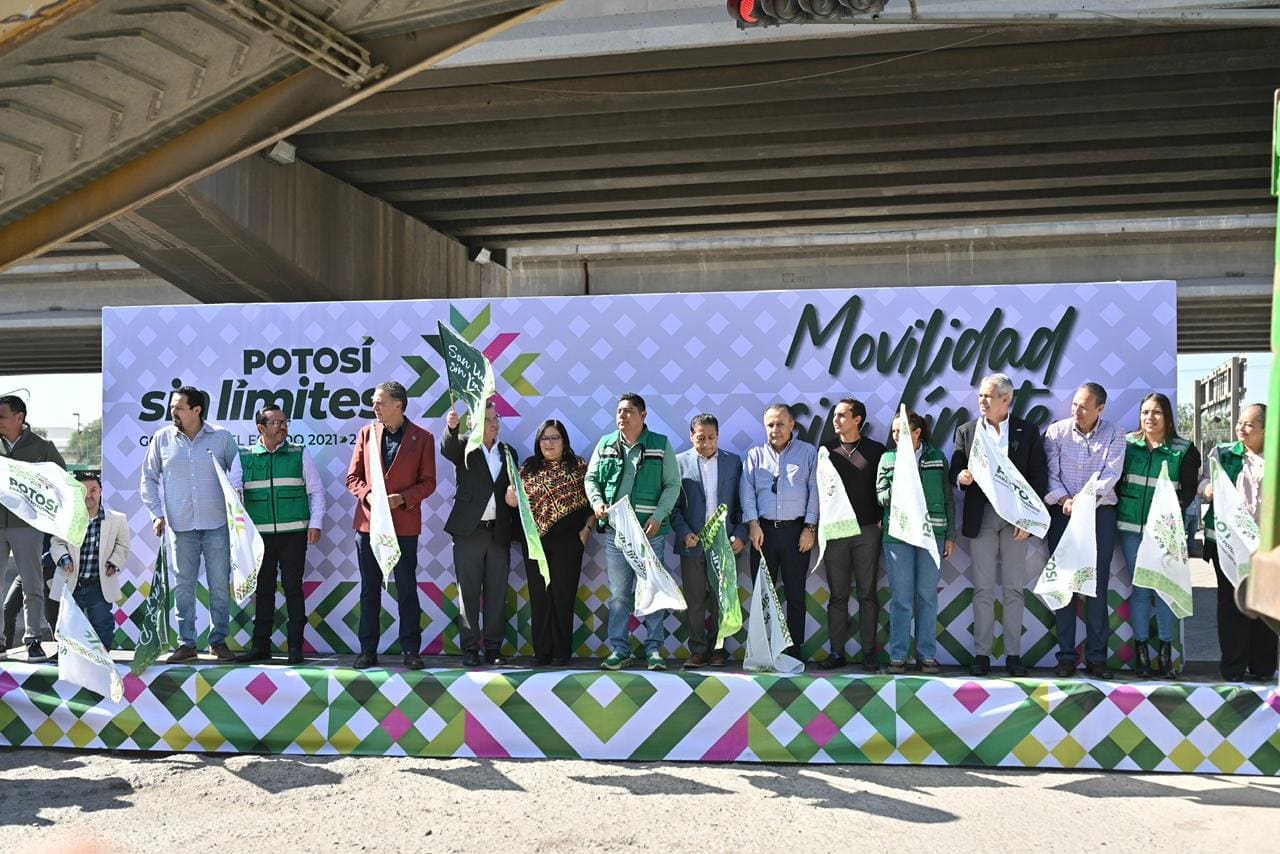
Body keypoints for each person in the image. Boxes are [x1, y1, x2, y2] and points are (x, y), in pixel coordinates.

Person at [950, 373, 1048, 677]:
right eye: (980, 395)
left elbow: (1038, 476)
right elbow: (955, 467)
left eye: (988, 396)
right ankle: (982, 654)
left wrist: (1029, 519)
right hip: (981, 518)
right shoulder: (967, 430)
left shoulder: (1027, 431)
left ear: (1006, 400)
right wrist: (961, 476)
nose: (982, 401)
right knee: (983, 588)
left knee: (1014, 589)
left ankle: (1013, 655)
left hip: (1016, 520)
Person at [140, 386, 240, 664]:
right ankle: (186, 644)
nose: (173, 411)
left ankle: (218, 641)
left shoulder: (221, 437)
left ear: (197, 410)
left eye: (179, 407)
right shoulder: (162, 439)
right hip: (180, 526)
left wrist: (236, 500)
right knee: (183, 586)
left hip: (217, 524)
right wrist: (156, 514)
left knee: (219, 585)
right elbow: (148, 478)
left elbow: (239, 470)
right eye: (172, 407)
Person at [585, 393, 680, 672]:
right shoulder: (605, 443)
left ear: (643, 415)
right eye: (619, 411)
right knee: (619, 594)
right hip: (617, 532)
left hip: (650, 533)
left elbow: (673, 485)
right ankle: (619, 649)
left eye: (628, 411)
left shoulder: (660, 444)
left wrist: (659, 516)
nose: (622, 416)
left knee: (652, 590)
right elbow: (591, 478)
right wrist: (597, 502)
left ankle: (654, 650)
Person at [345, 381, 437, 670]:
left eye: (380, 402)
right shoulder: (366, 433)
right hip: (369, 525)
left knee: (407, 589)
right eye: (374, 402)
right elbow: (352, 478)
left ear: (398, 405)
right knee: (369, 589)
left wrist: (403, 499)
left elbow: (428, 482)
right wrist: (368, 495)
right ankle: (367, 651)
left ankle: (411, 650)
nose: (375, 407)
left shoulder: (423, 438)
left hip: (404, 526)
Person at [1042, 382, 1127, 679]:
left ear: (1100, 409)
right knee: (1064, 584)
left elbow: (1111, 475)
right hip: (1063, 513)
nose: (1077, 410)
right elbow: (1050, 474)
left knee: (1096, 586)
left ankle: (1097, 658)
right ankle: (1066, 657)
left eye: (1084, 407)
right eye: (1075, 404)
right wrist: (1065, 500)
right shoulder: (1056, 432)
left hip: (1099, 513)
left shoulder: (1115, 433)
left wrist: (1084, 500)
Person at [1116, 392, 1200, 677]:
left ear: (1167, 417)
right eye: (1145, 412)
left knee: (1164, 590)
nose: (1149, 418)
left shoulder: (1184, 450)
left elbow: (1188, 492)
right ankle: (1141, 656)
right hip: (1131, 528)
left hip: (1165, 533)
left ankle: (1165, 655)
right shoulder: (1127, 444)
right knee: (1140, 590)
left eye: (1156, 412)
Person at [233, 406, 325, 665]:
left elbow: (316, 491)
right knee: (263, 591)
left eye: (285, 421)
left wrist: (315, 523)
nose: (283, 426)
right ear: (261, 428)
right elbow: (234, 493)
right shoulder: (244, 456)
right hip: (259, 538)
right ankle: (260, 647)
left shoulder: (299, 453)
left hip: (294, 534)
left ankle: (295, 648)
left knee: (293, 589)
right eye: (276, 422)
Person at [505, 419, 593, 667]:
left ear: (564, 441)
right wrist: (510, 498)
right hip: (536, 543)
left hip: (569, 543)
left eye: (555, 438)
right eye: (545, 438)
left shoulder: (578, 467)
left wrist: (587, 531)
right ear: (538, 442)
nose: (550, 443)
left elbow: (593, 501)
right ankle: (542, 652)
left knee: (563, 596)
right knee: (540, 597)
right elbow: (515, 504)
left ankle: (561, 653)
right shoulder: (528, 468)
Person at [1200, 403, 1277, 682]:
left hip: (1267, 546)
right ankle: (1233, 667)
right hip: (1229, 543)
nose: (1241, 428)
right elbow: (1203, 481)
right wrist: (1206, 489)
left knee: (1265, 604)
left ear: (1265, 430)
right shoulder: (1222, 453)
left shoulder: (1275, 457)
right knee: (1231, 604)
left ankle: (1263, 667)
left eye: (1249, 425)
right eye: (1240, 423)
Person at [876, 410, 955, 674]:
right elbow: (880, 495)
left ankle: (926, 655)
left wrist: (950, 536)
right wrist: (898, 489)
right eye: (894, 431)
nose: (896, 436)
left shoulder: (937, 457)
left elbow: (947, 497)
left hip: (932, 534)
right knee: (901, 597)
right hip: (898, 535)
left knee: (927, 596)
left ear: (917, 432)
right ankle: (898, 656)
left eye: (901, 431)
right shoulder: (888, 458)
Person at [741, 403, 819, 659]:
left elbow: (815, 491)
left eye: (781, 424)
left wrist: (809, 528)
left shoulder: (808, 453)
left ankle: (793, 652)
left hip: (796, 532)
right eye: (770, 425)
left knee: (795, 594)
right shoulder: (754, 455)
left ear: (792, 425)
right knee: (763, 594)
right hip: (763, 533)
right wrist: (753, 524)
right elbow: (747, 492)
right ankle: (764, 651)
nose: (775, 429)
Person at [443, 401, 515, 667]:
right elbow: (448, 448)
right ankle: (470, 649)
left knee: (497, 594)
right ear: (472, 423)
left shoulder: (508, 452)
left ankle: (494, 648)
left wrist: (512, 497)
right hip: (469, 532)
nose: (494, 424)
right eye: (487, 419)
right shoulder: (464, 446)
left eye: (496, 418)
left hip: (498, 532)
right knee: (469, 594)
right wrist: (452, 428)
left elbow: (513, 487)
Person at [670, 413, 745, 669]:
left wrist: (740, 534)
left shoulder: (733, 462)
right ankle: (698, 650)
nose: (706, 444)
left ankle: (718, 650)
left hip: (724, 544)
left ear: (718, 436)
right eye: (701, 438)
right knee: (694, 600)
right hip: (693, 543)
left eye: (711, 438)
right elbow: (673, 508)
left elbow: (742, 504)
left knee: (722, 598)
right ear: (691, 436)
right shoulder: (678, 463)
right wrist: (684, 533)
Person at [819, 398, 886, 672]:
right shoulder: (826, 450)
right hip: (836, 531)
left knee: (867, 593)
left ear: (857, 419)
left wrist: (882, 517)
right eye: (835, 415)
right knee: (838, 595)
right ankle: (836, 652)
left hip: (867, 530)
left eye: (842, 415)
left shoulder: (876, 450)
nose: (835, 420)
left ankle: (869, 653)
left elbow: (884, 487)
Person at [0, 395, 67, 661]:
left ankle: (33, 641)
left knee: (32, 584)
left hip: (27, 526)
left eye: (2, 416)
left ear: (20, 418)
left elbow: (62, 482)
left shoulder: (43, 448)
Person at [48, 472, 131, 650]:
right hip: (72, 581)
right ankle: (68, 657)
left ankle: (102, 658)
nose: (89, 495)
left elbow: (123, 545)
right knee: (68, 623)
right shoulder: (67, 517)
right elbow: (56, 542)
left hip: (99, 584)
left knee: (102, 624)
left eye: (93, 490)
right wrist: (64, 558)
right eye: (83, 491)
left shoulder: (117, 519)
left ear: (101, 491)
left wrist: (114, 562)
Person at [2, 534, 57, 651]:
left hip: (49, 570)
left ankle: (61, 652)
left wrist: (46, 561)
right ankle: (5, 649)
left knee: (52, 616)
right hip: (28, 571)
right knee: (8, 609)